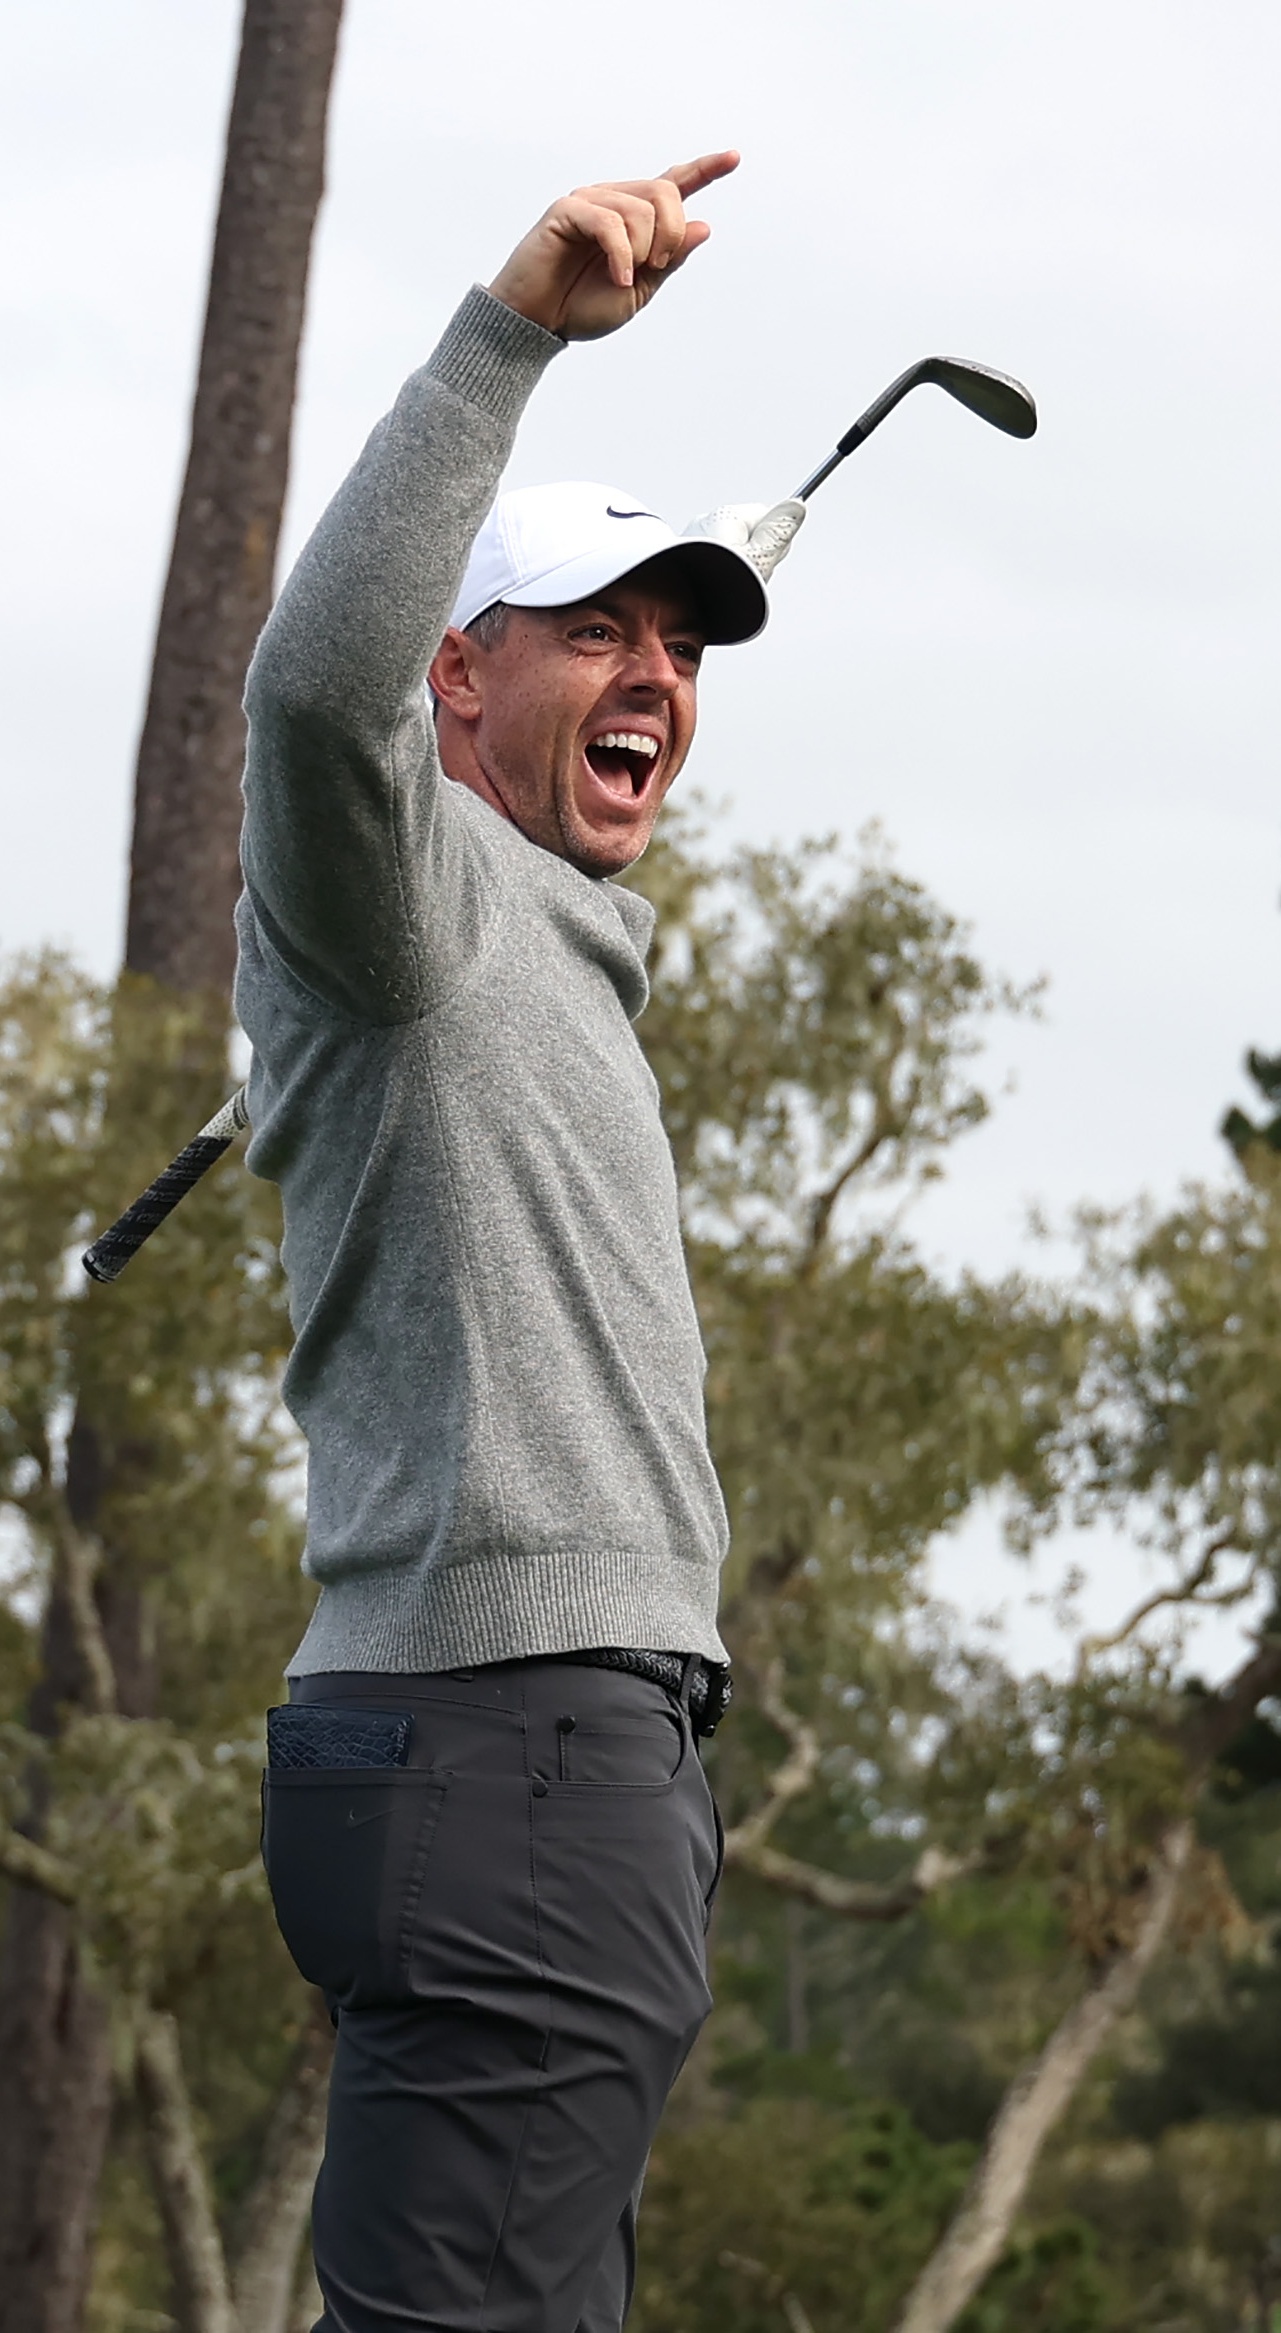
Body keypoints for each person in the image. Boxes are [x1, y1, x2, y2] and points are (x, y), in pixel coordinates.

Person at [241, 154, 759, 2333]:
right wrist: (505, 338)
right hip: (518, 1746)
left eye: (683, 642)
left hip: (471, 1753)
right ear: (456, 690)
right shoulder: (412, 892)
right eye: (593, 632)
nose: (655, 675)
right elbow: (302, 693)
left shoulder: (537, 936)